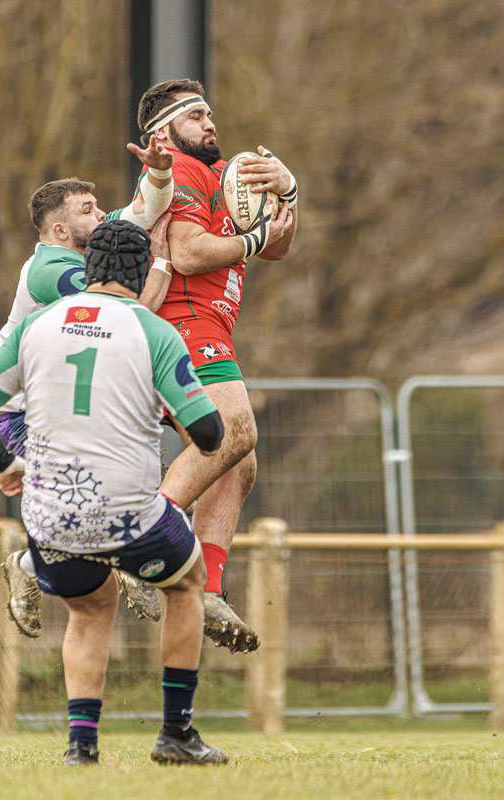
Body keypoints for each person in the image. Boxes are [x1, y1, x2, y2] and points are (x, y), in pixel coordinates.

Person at [0, 220, 229, 767]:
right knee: (188, 584)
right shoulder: (153, 331)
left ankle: (81, 748)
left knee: (89, 609)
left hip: (50, 513)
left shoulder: (35, 326)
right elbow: (208, 435)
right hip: (129, 511)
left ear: (87, 272)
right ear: (138, 274)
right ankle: (176, 733)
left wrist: (4, 464)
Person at [135, 78, 299, 652]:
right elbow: (186, 251)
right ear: (164, 132)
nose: (210, 123)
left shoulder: (223, 172)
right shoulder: (176, 167)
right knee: (236, 431)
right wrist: (253, 240)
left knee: (238, 462)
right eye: (196, 115)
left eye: (211, 114)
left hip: (208, 329)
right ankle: (142, 536)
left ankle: (206, 587)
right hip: (182, 327)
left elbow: (275, 244)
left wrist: (290, 193)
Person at [0, 140, 177, 637]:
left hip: (69, 408)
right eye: (88, 209)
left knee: (138, 482)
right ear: (60, 229)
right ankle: (120, 564)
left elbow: (142, 211)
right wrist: (161, 261)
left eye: (97, 206)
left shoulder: (90, 244)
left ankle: (37, 566)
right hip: (23, 414)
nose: (101, 213)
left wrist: (159, 173)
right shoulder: (52, 269)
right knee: (87, 504)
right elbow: (130, 309)